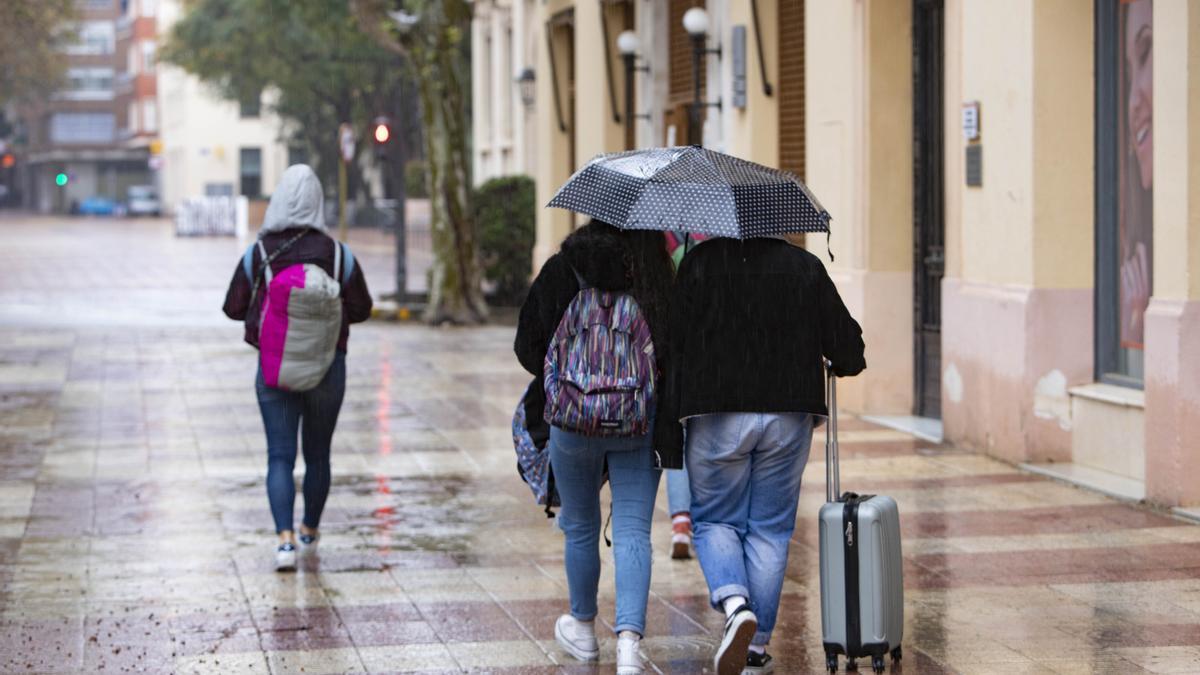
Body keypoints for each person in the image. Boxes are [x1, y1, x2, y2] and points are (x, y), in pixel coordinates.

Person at [662, 235, 865, 675]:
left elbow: (672, 341)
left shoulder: (699, 263)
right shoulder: (804, 266)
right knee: (771, 530)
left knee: (716, 519)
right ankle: (755, 649)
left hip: (714, 411)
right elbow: (848, 349)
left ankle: (736, 606)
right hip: (788, 413)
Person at [514, 219, 680, 675]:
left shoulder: (565, 268)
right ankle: (629, 645)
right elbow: (671, 350)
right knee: (632, 530)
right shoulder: (655, 271)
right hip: (638, 423)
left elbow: (527, 346)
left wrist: (569, 372)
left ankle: (584, 631)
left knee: (581, 524)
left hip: (571, 420)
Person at [222, 165, 372, 571]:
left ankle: (284, 541)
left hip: (275, 372)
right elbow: (362, 309)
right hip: (328, 369)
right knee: (319, 455)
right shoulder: (339, 254)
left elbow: (233, 308)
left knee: (280, 456)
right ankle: (310, 528)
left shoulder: (259, 253)